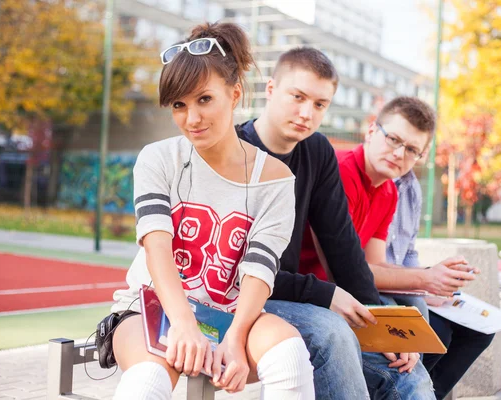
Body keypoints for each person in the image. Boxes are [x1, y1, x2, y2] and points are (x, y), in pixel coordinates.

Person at [104, 22, 315, 400]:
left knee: (289, 355)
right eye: (179, 105)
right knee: (148, 380)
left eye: (204, 99)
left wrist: (235, 338)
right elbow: (157, 248)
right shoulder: (158, 158)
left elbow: (260, 270)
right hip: (153, 306)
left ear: (234, 95)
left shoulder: (276, 179)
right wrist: (183, 322)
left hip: (231, 317)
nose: (192, 119)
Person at [238, 48, 433, 399]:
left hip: (294, 296)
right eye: (297, 97)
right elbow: (235, 267)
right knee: (331, 329)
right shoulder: (235, 149)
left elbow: (342, 245)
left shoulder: (316, 151)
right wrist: (326, 294)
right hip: (240, 297)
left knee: (407, 368)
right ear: (270, 89)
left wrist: (383, 323)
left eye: (319, 104)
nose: (306, 113)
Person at [386, 158, 495, 400]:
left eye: (419, 149)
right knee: (438, 334)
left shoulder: (411, 186)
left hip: (409, 288)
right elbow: (368, 268)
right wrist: (422, 284)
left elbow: (409, 252)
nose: (412, 154)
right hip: (386, 290)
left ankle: (428, 394)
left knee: (481, 330)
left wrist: (431, 286)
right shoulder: (379, 183)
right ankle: (411, 392)